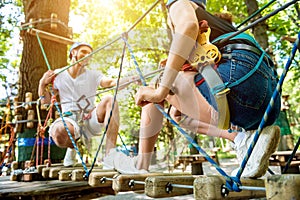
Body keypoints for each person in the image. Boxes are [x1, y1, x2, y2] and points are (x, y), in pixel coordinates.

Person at [109, 0, 281, 178]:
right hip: (269, 101)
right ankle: (243, 138)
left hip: (239, 84)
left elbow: (188, 26)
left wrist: (159, 91)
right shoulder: (217, 30)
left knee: (158, 82)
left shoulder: (178, 3)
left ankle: (141, 164)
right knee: (179, 115)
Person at [38, 42, 136, 167]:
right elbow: (45, 101)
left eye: (90, 54)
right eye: (83, 52)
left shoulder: (93, 75)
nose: (87, 56)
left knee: (110, 100)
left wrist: (130, 79)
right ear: (73, 53)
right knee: (59, 131)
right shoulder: (58, 74)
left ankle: (110, 157)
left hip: (89, 120)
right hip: (69, 120)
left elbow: (111, 82)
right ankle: (72, 147)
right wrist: (42, 83)